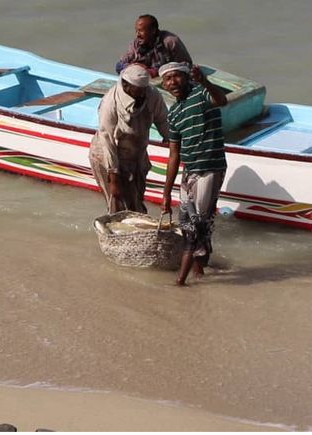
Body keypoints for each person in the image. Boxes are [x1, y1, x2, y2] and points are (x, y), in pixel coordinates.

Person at [159, 62, 228, 286]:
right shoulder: (174, 114)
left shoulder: (201, 94)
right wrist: (166, 193)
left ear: (187, 77)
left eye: (176, 77)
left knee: (197, 227)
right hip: (189, 174)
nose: (172, 83)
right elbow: (173, 155)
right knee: (187, 224)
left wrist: (205, 81)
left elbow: (222, 101)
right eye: (167, 79)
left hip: (210, 169)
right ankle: (199, 273)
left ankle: (180, 282)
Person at [89, 64, 170, 213]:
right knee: (118, 206)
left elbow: (163, 119)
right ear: (126, 85)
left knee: (136, 203)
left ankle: (139, 234)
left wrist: (172, 140)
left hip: (136, 154)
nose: (142, 94)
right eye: (138, 90)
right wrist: (114, 178)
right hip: (107, 156)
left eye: (144, 89)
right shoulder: (110, 102)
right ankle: (123, 236)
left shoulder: (152, 94)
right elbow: (107, 140)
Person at [115, 14, 192, 78]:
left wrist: (155, 71)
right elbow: (119, 65)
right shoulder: (136, 44)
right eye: (136, 31)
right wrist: (133, 67)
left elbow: (187, 65)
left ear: (153, 31)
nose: (137, 35)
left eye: (141, 31)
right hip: (145, 80)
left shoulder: (170, 41)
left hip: (167, 79)